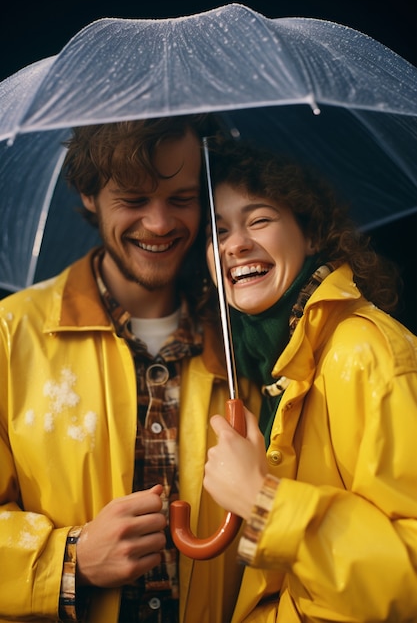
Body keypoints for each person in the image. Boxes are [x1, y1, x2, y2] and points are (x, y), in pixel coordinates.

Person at [0, 117, 261, 623]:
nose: (160, 224)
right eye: (134, 200)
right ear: (89, 193)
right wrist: (71, 558)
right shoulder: (10, 337)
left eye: (181, 198)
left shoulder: (247, 341)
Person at [203, 137, 417, 622]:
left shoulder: (364, 352)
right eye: (217, 232)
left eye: (259, 220)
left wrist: (263, 500)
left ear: (312, 232)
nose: (236, 244)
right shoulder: (269, 370)